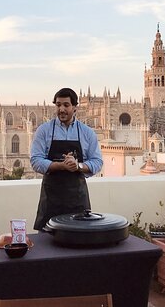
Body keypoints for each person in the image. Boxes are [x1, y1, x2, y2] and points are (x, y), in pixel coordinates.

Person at [31, 87, 103, 231]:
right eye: (58, 105)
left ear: (75, 107)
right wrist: (62, 166)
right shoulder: (44, 130)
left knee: (78, 244)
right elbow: (36, 161)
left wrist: (78, 166)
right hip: (51, 200)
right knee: (47, 245)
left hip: (77, 200)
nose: (61, 109)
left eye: (66, 105)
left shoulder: (87, 132)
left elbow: (97, 162)